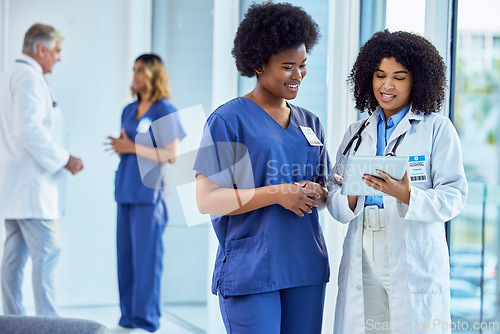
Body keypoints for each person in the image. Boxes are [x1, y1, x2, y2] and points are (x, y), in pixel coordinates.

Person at [193, 3, 330, 333]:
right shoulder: (229, 120)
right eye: (287, 66)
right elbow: (206, 199)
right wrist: (278, 193)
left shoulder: (310, 122)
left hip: (305, 266)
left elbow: (325, 194)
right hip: (253, 268)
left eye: (303, 65)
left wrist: (319, 193)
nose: (297, 75)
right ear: (257, 64)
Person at [327, 30, 468, 333]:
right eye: (379, 75)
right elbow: (335, 200)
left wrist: (407, 195)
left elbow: (454, 196)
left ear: (417, 80)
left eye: (399, 77)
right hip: (364, 248)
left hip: (410, 253)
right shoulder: (355, 132)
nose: (386, 86)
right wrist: (350, 196)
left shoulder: (437, 129)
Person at [0, 23, 84, 316]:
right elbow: (31, 131)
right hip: (31, 187)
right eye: (57, 51)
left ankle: (11, 320)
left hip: (17, 186)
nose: (58, 58)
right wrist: (65, 159)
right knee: (49, 253)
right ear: (41, 49)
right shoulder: (28, 78)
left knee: (14, 258)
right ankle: (48, 323)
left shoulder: (13, 73)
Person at [106, 53, 185, 334]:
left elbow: (171, 155)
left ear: (153, 74)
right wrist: (121, 146)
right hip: (126, 189)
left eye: (141, 70)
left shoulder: (166, 110)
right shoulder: (129, 110)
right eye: (134, 69)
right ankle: (127, 318)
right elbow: (127, 144)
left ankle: (146, 321)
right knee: (125, 257)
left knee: (147, 259)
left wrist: (131, 148)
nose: (135, 75)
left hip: (151, 195)